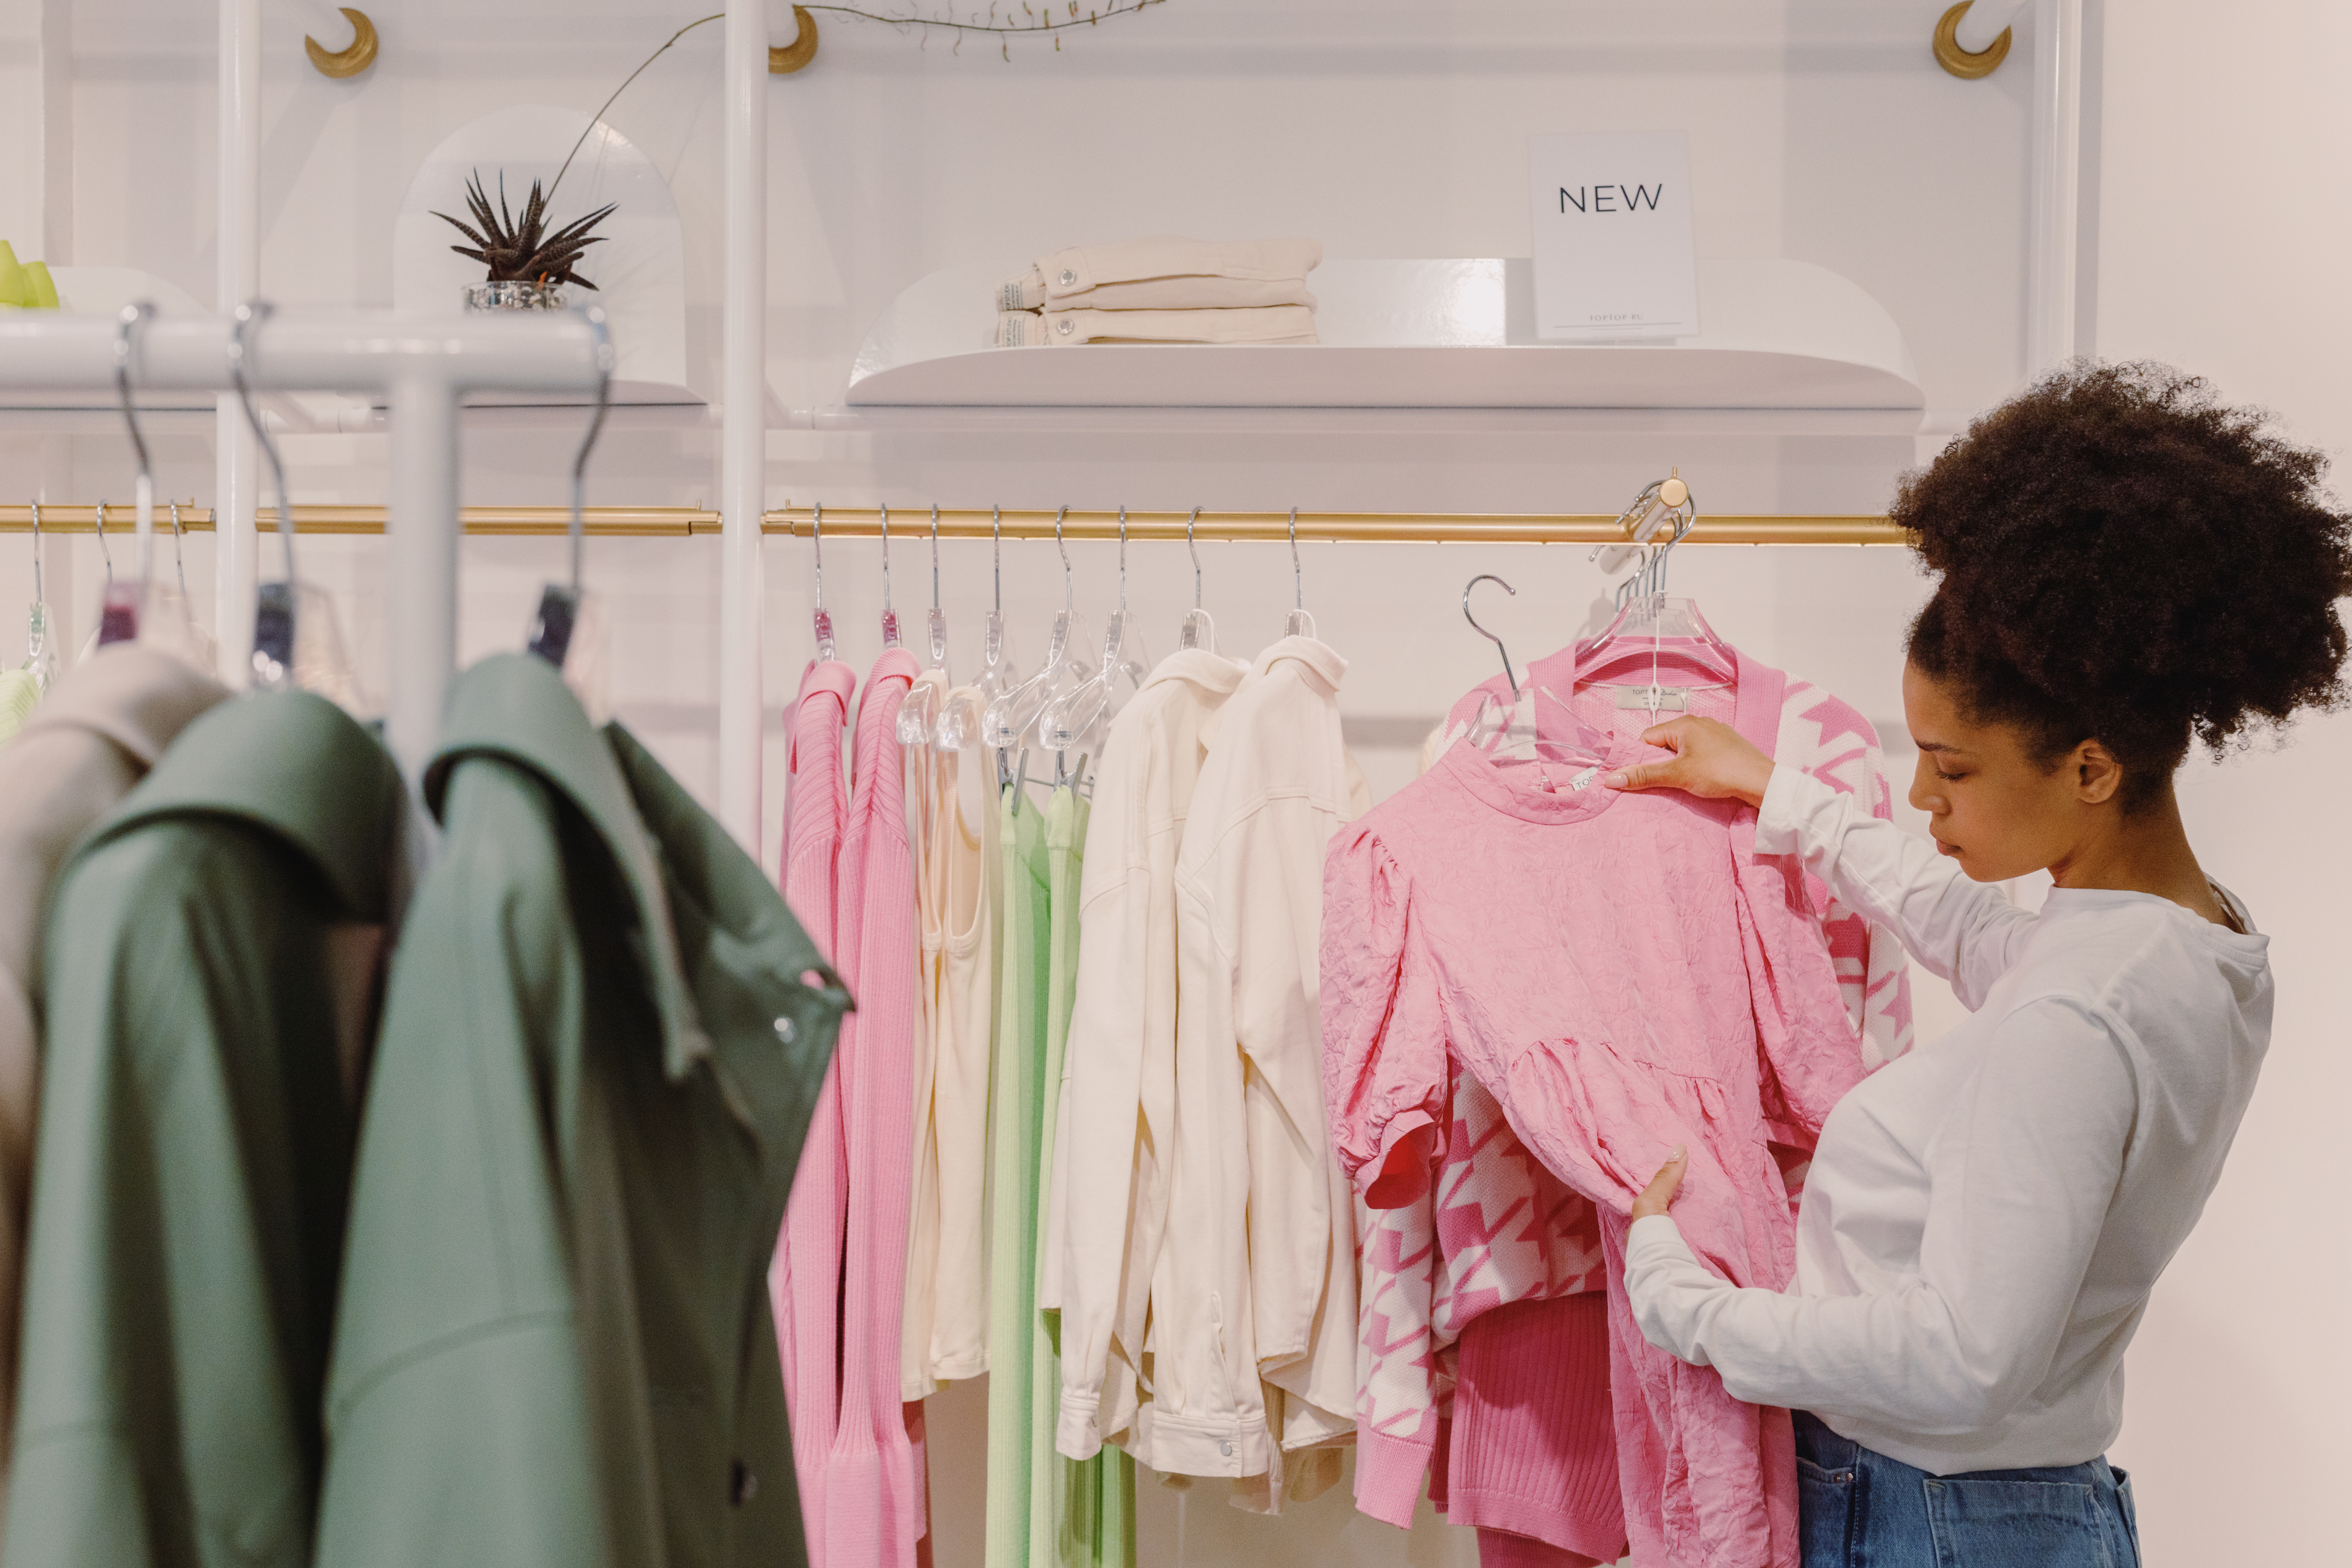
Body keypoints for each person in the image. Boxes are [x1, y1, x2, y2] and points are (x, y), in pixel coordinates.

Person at [1599, 362, 2352, 1568]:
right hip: (2001, 1513)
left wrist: (1694, 1311)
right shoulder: (2189, 939)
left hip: (1932, 1520)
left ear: (2090, 768)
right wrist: (1776, 788)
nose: (1917, 795)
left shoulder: (2075, 1014)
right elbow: (1965, 926)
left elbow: (1963, 1359)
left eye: (1950, 768)